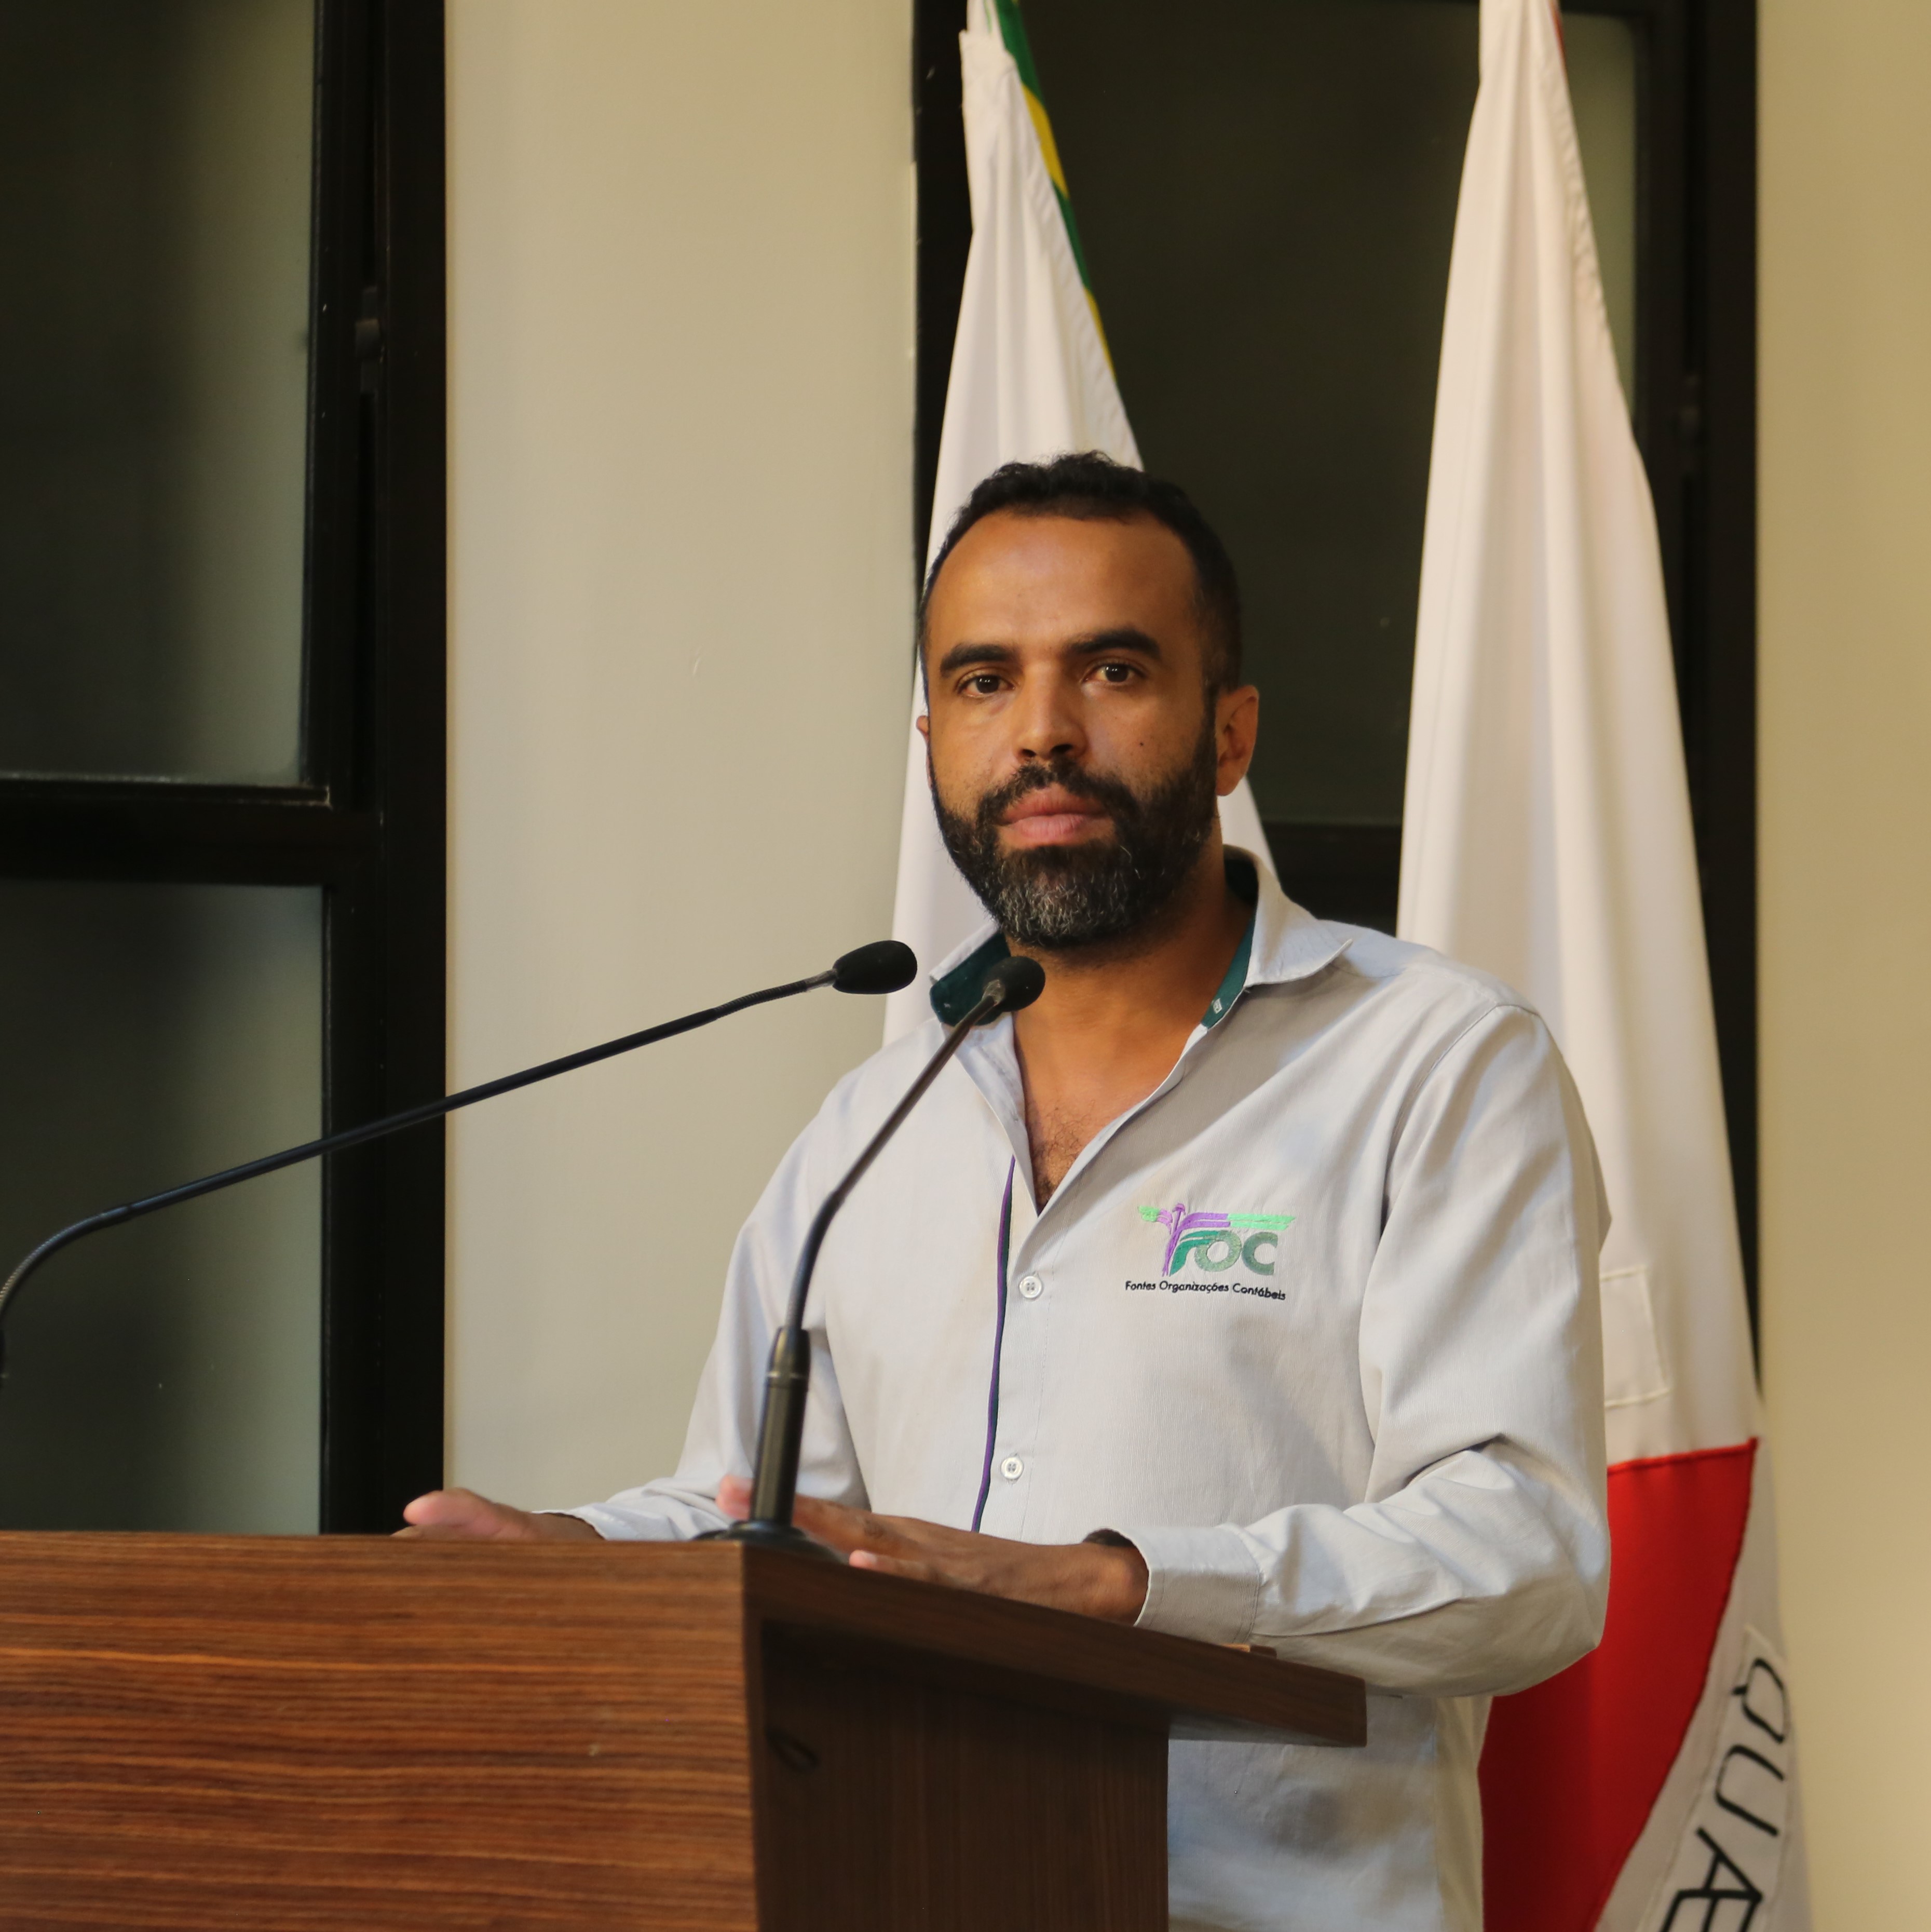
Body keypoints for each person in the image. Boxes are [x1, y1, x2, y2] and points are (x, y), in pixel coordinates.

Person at [403, 453, 1609, 1931]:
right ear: (933, 740)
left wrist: (1120, 1585)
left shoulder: (1436, 1063)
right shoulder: (876, 1126)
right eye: (984, 681)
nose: (1043, 732)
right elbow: (782, 1521)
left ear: (1231, 732)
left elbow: (1527, 1556)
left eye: (1112, 670)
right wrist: (582, 1560)